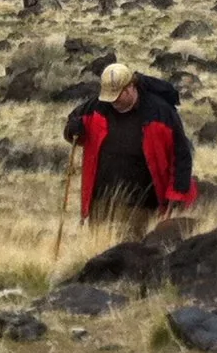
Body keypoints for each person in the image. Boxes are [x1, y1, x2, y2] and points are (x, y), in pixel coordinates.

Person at [63, 60, 196, 230]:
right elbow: (74, 129)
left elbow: (181, 156)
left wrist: (177, 195)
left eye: (117, 95)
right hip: (101, 203)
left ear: (130, 87)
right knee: (100, 253)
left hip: (143, 207)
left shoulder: (160, 113)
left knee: (134, 253)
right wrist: (72, 130)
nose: (113, 101)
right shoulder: (96, 106)